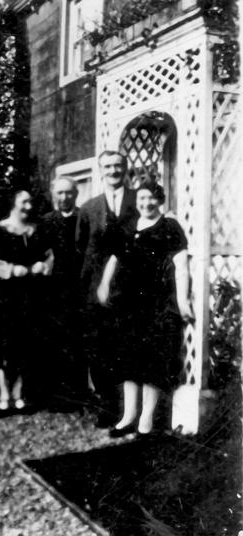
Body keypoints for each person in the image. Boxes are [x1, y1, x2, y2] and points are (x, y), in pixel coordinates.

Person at [97, 179, 193, 436]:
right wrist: (105, 284)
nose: (146, 203)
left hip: (157, 300)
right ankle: (128, 416)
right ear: (136, 201)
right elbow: (115, 257)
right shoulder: (128, 224)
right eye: (141, 199)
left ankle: (146, 420)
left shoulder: (169, 226)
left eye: (151, 198)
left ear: (160, 200)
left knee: (151, 361)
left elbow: (181, 265)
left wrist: (182, 301)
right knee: (129, 358)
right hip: (128, 301)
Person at [75, 150, 138, 423]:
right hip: (96, 290)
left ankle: (131, 409)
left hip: (132, 287)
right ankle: (107, 405)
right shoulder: (89, 208)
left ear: (125, 169)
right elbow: (81, 246)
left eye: (118, 166)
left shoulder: (139, 201)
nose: (113, 171)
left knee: (128, 346)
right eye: (108, 166)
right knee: (100, 348)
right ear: (101, 171)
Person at [0, 190, 53, 413]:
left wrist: (43, 266)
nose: (29, 206)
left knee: (25, 345)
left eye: (31, 201)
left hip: (30, 295)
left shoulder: (37, 230)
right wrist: (10, 269)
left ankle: (20, 392)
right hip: (3, 296)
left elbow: (49, 255)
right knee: (1, 345)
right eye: (24, 202)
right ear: (13, 204)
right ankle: (3, 393)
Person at [41, 176, 87, 408]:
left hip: (78, 290)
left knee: (78, 343)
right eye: (59, 193)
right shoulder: (45, 222)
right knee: (54, 342)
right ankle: (56, 395)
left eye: (68, 193)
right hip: (53, 292)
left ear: (76, 194)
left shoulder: (84, 219)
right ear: (53, 195)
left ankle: (78, 395)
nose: (64, 197)